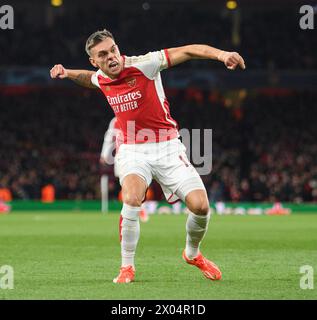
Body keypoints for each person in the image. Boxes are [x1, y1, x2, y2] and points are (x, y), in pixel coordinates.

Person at [50, 29, 245, 283]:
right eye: (103, 54)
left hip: (168, 146)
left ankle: (192, 253)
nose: (111, 56)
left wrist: (222, 54)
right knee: (131, 197)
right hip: (132, 148)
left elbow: (187, 50)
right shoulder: (101, 77)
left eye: (113, 49)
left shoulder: (146, 64)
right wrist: (67, 73)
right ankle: (127, 267)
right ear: (94, 61)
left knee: (201, 206)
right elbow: (89, 79)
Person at [100, 117, 149, 222]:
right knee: (124, 184)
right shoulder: (115, 121)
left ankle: (141, 208)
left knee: (138, 181)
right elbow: (109, 138)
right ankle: (129, 210)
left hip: (136, 155)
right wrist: (104, 154)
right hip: (121, 156)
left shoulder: (137, 118)